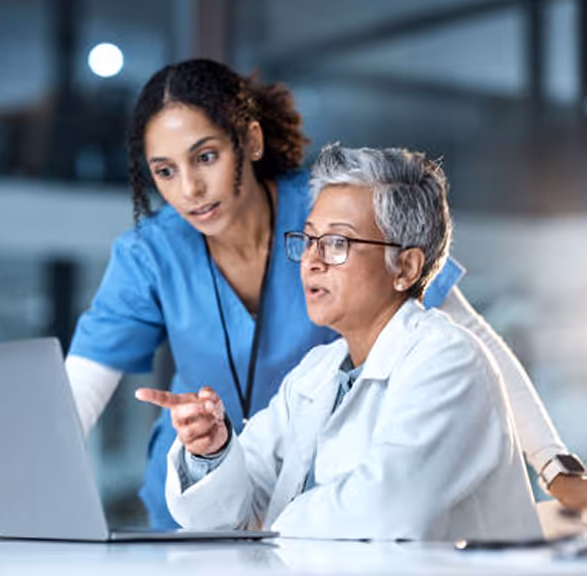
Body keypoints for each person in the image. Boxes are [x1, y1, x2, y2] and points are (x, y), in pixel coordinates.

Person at [66, 59, 587, 528]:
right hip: (239, 497)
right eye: (164, 171)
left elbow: (470, 340)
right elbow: (75, 397)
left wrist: (552, 461)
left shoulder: (335, 209)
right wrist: (210, 452)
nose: (189, 190)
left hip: (322, 517)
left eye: (205, 157)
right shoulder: (156, 256)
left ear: (249, 141)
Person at [138, 144, 542, 541]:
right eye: (309, 240)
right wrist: (212, 453)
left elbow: (386, 511)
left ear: (405, 267)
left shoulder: (448, 361)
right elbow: (233, 512)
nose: (311, 261)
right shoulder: (317, 371)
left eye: (337, 243)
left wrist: (270, 527)